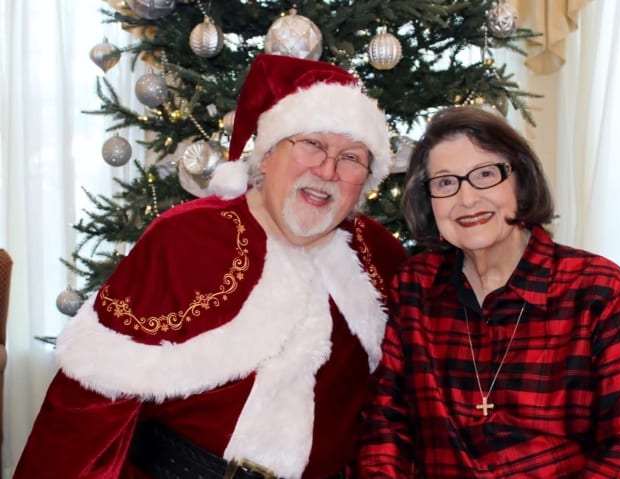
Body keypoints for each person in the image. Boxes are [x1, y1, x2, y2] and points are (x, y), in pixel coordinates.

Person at [14, 53, 407, 479]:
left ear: (366, 181)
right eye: (312, 144)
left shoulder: (377, 255)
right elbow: (90, 405)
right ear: (268, 154)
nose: (327, 169)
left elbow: (393, 409)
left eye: (351, 157)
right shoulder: (186, 237)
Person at [357, 105, 620, 478]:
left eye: (485, 175)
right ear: (428, 201)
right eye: (446, 182)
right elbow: (386, 423)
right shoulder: (415, 286)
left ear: (521, 181)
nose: (466, 200)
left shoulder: (597, 290)